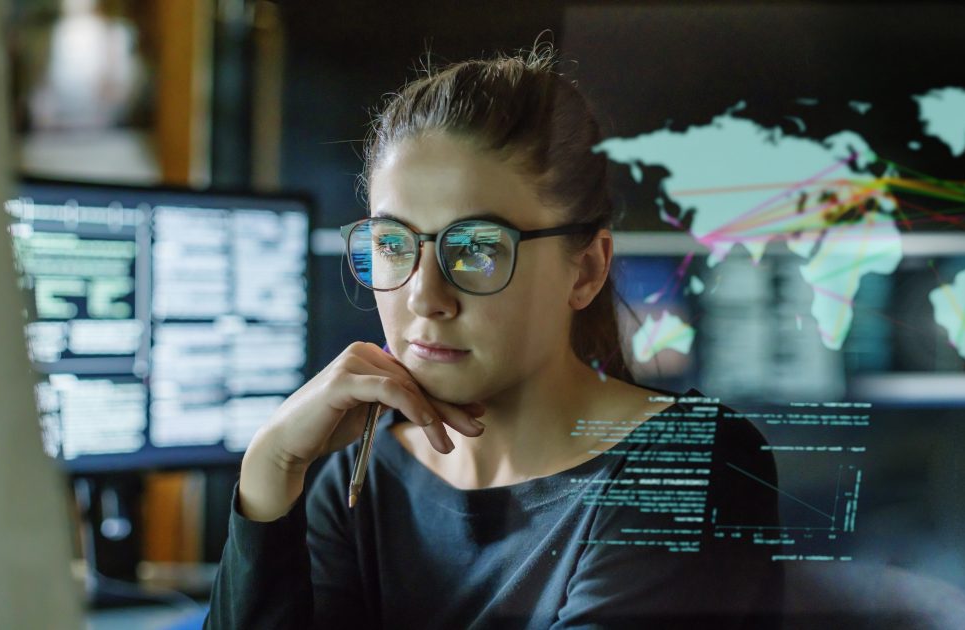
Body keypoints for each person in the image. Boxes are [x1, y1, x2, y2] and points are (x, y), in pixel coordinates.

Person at [204, 41, 782, 629]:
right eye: (391, 243)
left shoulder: (692, 468)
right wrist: (269, 467)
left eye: (477, 248)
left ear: (584, 270)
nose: (424, 296)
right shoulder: (357, 478)